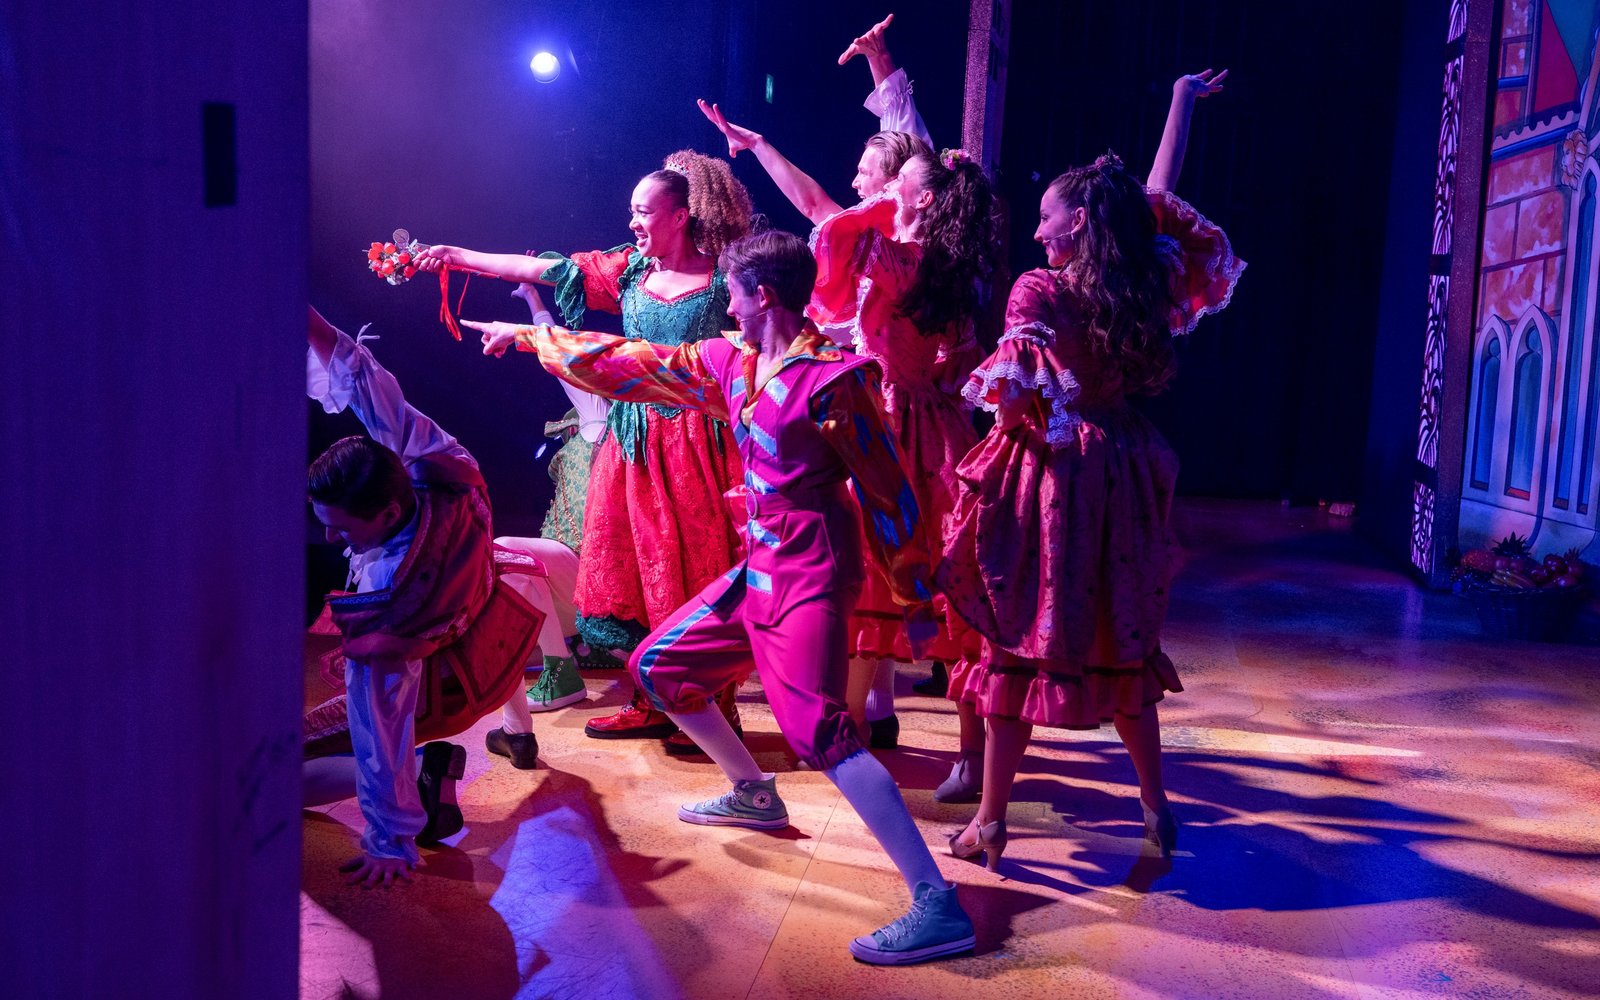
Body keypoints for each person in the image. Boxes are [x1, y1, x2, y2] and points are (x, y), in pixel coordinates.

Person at [464, 230, 977, 965]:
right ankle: (752, 792)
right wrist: (528, 337)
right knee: (659, 668)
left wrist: (918, 600)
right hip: (758, 571)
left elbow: (890, 494)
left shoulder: (833, 380)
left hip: (811, 579)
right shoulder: (732, 363)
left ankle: (937, 903)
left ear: (760, 294)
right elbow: (633, 361)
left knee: (820, 733)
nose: (723, 303)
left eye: (731, 292)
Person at [937, 81, 1243, 870]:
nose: (1036, 234)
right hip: (1129, 465)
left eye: (1045, 218)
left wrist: (1005, 440)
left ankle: (994, 823)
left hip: (1057, 469)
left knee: (1018, 637)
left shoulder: (1039, 289)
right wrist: (1178, 104)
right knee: (1122, 634)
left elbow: (1017, 392)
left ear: (1077, 221)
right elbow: (1152, 200)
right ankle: (1156, 807)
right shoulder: (1145, 282)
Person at [414, 151, 751, 754]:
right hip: (635, 445)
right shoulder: (627, 272)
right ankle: (650, 700)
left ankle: (711, 706)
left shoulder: (727, 279)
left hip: (700, 445)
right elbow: (543, 268)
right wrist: (460, 257)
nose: (633, 224)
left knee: (698, 571)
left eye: (644, 213)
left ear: (680, 216)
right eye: (631, 213)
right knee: (634, 567)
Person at [300, 307, 547, 888]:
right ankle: (517, 731)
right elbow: (369, 382)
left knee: (276, 776)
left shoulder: (392, 599)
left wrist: (390, 836)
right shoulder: (440, 469)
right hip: (494, 640)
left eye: (343, 529)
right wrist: (304, 316)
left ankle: (428, 779)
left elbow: (377, 726)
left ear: (385, 515)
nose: (332, 539)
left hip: (443, 690)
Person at [807, 148, 999, 748]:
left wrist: (885, 203)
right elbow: (954, 367)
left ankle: (853, 723)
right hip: (929, 418)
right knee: (893, 568)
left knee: (872, 567)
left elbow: (830, 224)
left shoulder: (903, 258)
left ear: (924, 199)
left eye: (901, 182)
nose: (886, 188)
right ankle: (933, 736)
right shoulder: (943, 267)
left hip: (886, 418)